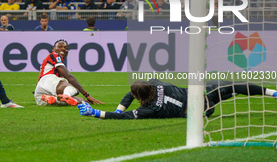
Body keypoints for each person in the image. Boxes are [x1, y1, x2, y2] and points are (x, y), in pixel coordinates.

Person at [78, 79, 277, 119]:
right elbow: (133, 92)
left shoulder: (150, 110)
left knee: (223, 93)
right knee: (230, 85)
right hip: (200, 95)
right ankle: (272, 93)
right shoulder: (155, 84)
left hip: (200, 108)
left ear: (140, 97)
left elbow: (124, 115)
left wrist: (95, 113)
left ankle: (229, 94)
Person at [34, 39, 104, 106]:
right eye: (60, 46)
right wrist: (86, 95)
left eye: (66, 48)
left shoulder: (52, 64)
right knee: (74, 89)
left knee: (81, 100)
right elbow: (70, 77)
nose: (63, 49)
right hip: (48, 81)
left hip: (40, 95)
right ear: (53, 49)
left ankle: (54, 99)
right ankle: (65, 96)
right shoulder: (55, 55)